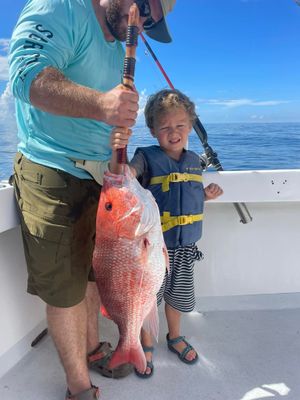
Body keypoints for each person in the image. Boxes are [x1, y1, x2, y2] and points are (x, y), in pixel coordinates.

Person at [9, 1, 176, 399]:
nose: (146, 21)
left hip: (102, 177)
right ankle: (78, 387)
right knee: (65, 288)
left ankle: (94, 348)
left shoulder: (118, 43)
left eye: (152, 20)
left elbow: (104, 117)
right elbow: (24, 76)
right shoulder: (60, 9)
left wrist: (114, 135)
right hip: (52, 168)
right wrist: (102, 105)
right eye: (148, 7)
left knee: (93, 276)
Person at [110, 88, 223, 378]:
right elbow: (129, 173)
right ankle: (144, 344)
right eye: (165, 128)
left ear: (190, 125)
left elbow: (189, 194)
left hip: (185, 248)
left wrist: (206, 196)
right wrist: (123, 168)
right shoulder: (145, 158)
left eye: (180, 126)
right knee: (148, 300)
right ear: (152, 131)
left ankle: (174, 336)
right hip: (153, 252)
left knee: (178, 299)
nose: (174, 133)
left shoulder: (194, 160)